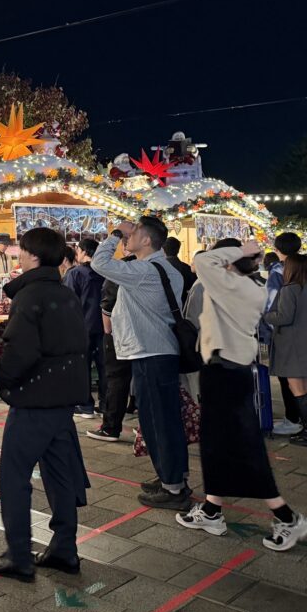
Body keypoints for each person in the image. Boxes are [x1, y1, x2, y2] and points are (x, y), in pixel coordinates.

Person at [175, 242, 307, 551]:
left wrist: (239, 249)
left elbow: (202, 260)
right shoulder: (251, 286)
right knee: (217, 445)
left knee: (243, 446)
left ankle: (286, 516)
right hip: (226, 371)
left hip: (226, 373)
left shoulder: (232, 285)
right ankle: (212, 509)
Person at [0, 228, 90, 582]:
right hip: (63, 399)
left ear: (32, 256)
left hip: (35, 399)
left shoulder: (30, 296)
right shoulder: (64, 292)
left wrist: (0, 375)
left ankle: (18, 554)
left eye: (22, 251)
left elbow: (21, 352)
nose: (18, 256)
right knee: (60, 473)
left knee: (14, 474)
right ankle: (64, 548)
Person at [93, 216, 190, 510]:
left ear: (146, 240)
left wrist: (114, 233)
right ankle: (173, 478)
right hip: (157, 352)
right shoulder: (165, 268)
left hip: (151, 353)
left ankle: (173, 488)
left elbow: (100, 263)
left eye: (132, 233)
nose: (127, 237)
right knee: (163, 420)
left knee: (158, 422)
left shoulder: (145, 270)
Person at [264, 254, 307, 448]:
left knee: (297, 388)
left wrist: (266, 315)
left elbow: (284, 317)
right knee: (306, 388)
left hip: (293, 346)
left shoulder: (290, 290)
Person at [85, 250, 136, 442]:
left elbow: (107, 311)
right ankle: (147, 428)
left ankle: (110, 428)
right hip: (145, 338)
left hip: (118, 336)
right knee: (142, 383)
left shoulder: (115, 279)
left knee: (117, 380)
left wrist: (109, 333)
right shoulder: (150, 275)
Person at [265, 233, 304, 436]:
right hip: (304, 330)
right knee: (302, 380)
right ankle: (304, 421)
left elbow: (271, 303)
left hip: (283, 330)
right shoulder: (304, 267)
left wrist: (268, 323)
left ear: (277, 249)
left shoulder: (278, 271)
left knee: (286, 377)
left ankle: (293, 418)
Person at [64, 239, 106, 419]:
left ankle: (85, 405)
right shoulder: (106, 272)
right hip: (105, 328)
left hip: (82, 329)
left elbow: (68, 302)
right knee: (105, 369)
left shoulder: (74, 274)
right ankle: (106, 405)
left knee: (82, 367)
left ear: (82, 251)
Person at [163, 237, 197, 304]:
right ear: (178, 250)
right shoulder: (187, 268)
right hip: (183, 305)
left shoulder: (158, 268)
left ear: (163, 250)